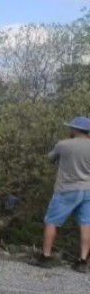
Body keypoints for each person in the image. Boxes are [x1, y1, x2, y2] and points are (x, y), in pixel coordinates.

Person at [33, 116, 90, 273]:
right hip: (88, 190)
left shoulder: (63, 145)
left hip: (66, 188)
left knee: (52, 221)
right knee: (86, 225)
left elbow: (50, 158)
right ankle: (83, 261)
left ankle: (46, 257)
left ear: (74, 129)